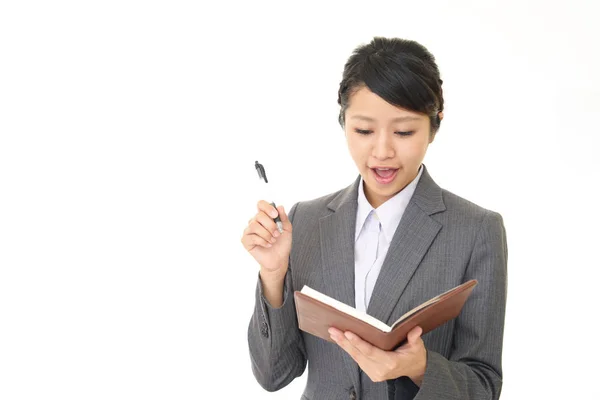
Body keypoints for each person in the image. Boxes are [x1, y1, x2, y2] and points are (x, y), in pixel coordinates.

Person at [241, 36, 508, 400]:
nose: (382, 151)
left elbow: (484, 386)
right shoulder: (306, 220)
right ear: (343, 122)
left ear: (435, 125)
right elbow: (274, 375)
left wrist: (417, 368)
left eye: (404, 131)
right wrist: (273, 276)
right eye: (364, 130)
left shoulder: (476, 230)